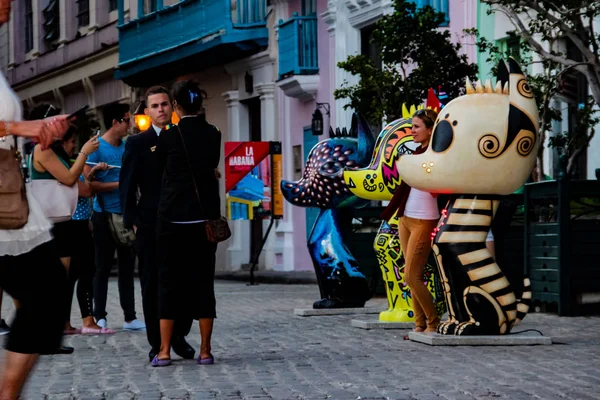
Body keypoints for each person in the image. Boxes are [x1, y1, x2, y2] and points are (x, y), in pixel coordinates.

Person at [0, 8, 70, 392]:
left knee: (46, 295)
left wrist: (40, 131)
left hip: (9, 200)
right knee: (45, 293)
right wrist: (16, 126)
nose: (9, 6)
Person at [120, 86, 194, 362]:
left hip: (183, 220)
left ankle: (178, 335)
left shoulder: (184, 137)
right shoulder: (138, 143)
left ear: (172, 106)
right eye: (155, 106)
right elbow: (127, 185)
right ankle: (157, 341)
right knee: (152, 283)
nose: (161, 109)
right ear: (147, 111)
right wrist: (132, 221)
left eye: (164, 104)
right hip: (149, 222)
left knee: (184, 281)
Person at [152, 80, 221, 367]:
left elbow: (160, 171)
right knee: (203, 283)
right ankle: (205, 351)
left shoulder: (169, 135)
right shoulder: (213, 134)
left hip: (173, 219)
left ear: (177, 106)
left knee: (168, 283)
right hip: (205, 219)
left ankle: (165, 351)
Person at [83, 103, 145, 331]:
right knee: (102, 266)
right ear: (115, 122)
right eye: (127, 120)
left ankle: (130, 317)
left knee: (128, 267)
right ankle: (100, 316)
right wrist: (121, 184)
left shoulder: (128, 146)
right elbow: (90, 184)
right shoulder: (96, 147)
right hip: (104, 216)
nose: (130, 124)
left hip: (127, 213)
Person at [380, 108, 441, 333]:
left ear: (430, 129)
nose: (412, 131)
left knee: (411, 275)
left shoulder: (438, 155)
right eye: (411, 126)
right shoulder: (415, 154)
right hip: (405, 218)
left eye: (416, 127)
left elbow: (437, 186)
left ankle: (433, 321)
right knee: (410, 275)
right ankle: (419, 323)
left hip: (425, 219)